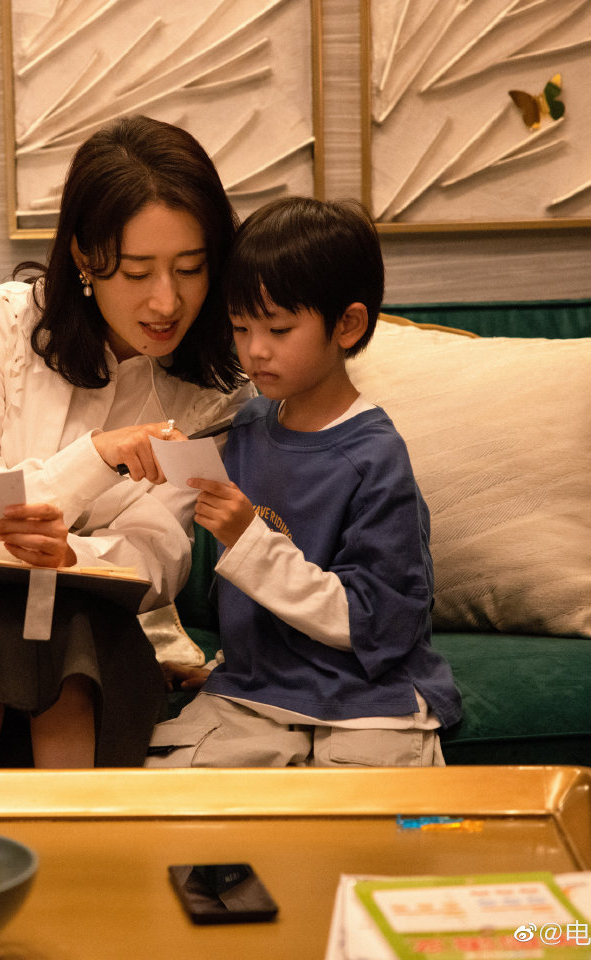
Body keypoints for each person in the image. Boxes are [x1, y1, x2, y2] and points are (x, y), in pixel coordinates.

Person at [0, 115, 253, 769]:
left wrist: (70, 557)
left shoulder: (213, 391)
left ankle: (59, 827)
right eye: (137, 273)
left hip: (92, 625)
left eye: (190, 269)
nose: (167, 302)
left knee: (69, 606)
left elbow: (159, 557)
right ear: (83, 257)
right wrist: (93, 459)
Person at [146, 197, 461, 768]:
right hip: (253, 691)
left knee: (362, 814)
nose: (254, 350)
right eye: (240, 327)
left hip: (368, 699)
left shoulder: (375, 457)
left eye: (278, 328)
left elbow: (377, 624)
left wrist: (250, 541)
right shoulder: (247, 427)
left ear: (348, 325)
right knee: (176, 798)